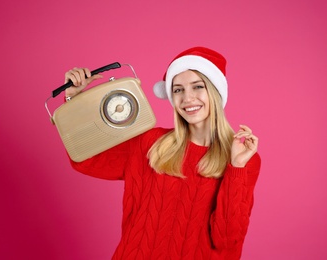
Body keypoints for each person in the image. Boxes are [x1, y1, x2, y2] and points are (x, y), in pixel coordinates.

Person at [63, 47, 261, 260]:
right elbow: (86, 158)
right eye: (178, 90)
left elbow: (228, 241)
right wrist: (75, 101)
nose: (188, 98)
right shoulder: (150, 142)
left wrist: (236, 168)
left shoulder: (241, 158)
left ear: (215, 91)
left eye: (198, 87)